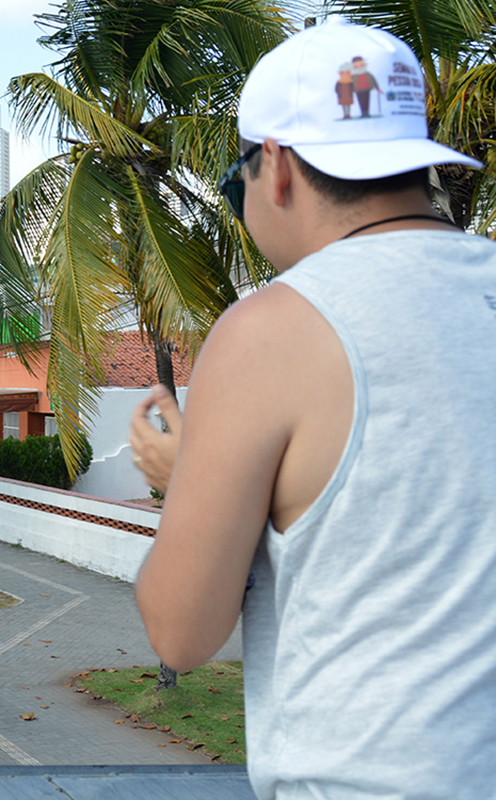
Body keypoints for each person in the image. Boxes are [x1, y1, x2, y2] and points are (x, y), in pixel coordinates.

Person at [127, 20, 495, 800]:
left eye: (239, 177)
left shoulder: (272, 330)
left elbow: (181, 633)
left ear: (281, 168)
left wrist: (186, 474)